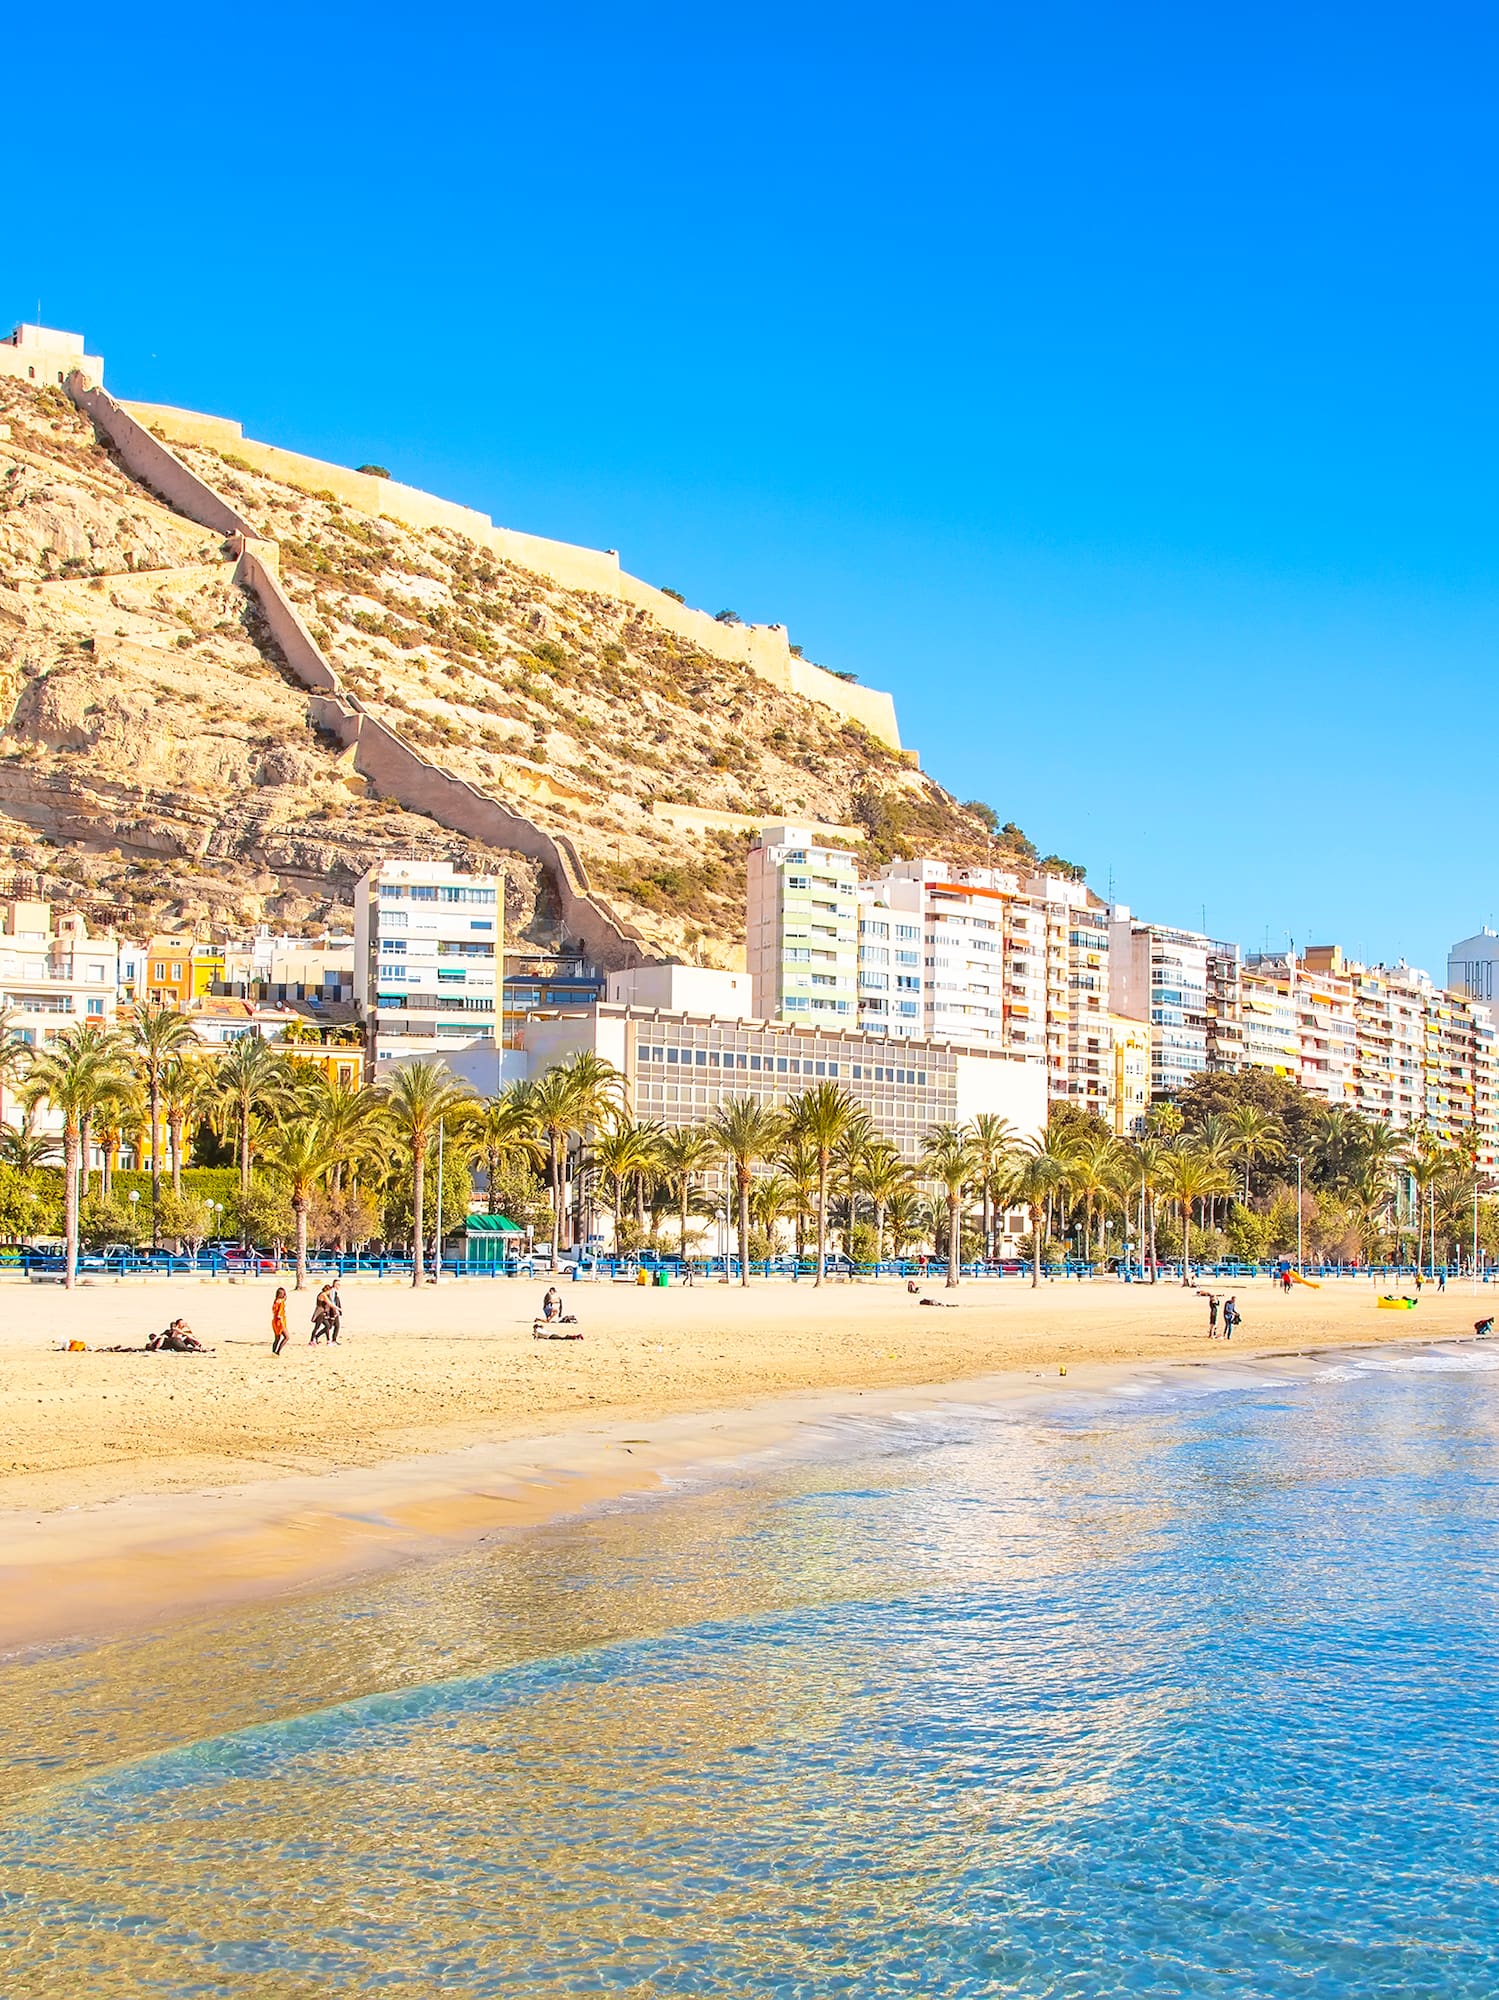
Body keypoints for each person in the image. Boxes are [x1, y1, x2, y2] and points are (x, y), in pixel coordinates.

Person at [271, 1286, 289, 1356]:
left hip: (274, 1321)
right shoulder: (281, 1303)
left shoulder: (276, 1301)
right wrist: (282, 1324)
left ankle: (273, 1351)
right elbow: (280, 1314)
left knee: (277, 1338)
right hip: (280, 1322)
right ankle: (278, 1351)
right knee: (287, 1337)